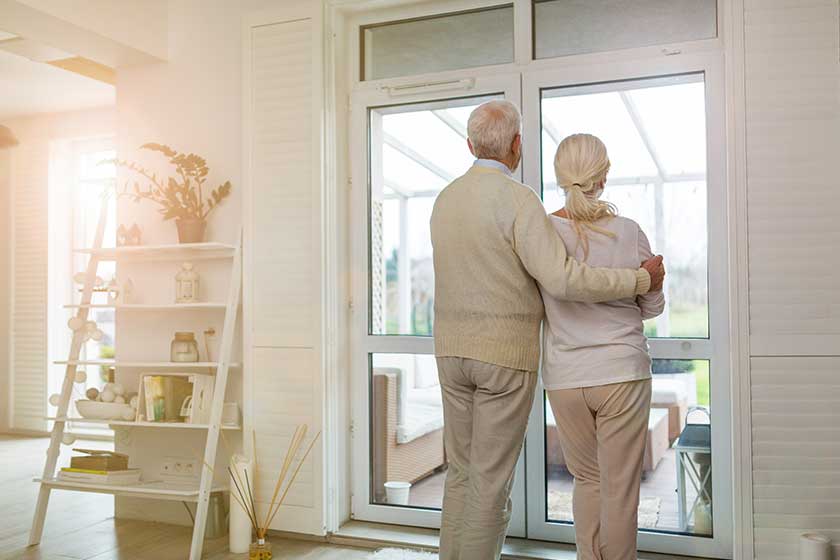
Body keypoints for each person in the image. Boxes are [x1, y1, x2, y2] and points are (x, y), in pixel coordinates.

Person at [430, 101, 665, 560]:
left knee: (460, 474)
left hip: (451, 353)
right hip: (503, 357)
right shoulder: (519, 201)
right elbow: (562, 278)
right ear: (517, 145)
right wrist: (641, 279)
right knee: (489, 481)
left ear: (469, 144)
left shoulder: (446, 198)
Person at [541, 133, 665, 560]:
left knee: (588, 480)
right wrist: (650, 283)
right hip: (621, 373)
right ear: (604, 174)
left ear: (561, 177)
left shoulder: (543, 233)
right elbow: (652, 305)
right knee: (619, 488)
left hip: (566, 379)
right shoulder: (629, 232)